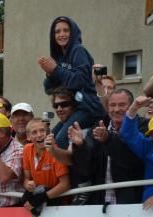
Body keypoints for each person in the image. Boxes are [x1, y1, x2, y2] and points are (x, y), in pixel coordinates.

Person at [39, 16, 106, 149]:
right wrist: (50, 74)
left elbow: (79, 80)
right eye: (57, 32)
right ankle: (62, 169)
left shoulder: (78, 50)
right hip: (75, 109)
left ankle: (77, 168)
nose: (61, 34)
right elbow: (50, 90)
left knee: (62, 139)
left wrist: (56, 70)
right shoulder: (58, 57)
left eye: (66, 30)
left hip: (89, 108)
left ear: (73, 32)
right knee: (51, 140)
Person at [70, 88, 145, 206]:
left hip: (134, 205)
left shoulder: (142, 126)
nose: (116, 109)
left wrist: (108, 139)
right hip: (101, 204)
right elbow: (86, 169)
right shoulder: (98, 128)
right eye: (112, 105)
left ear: (131, 106)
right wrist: (81, 146)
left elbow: (133, 162)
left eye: (122, 105)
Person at [21, 119, 70, 212]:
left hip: (60, 206)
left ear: (48, 133)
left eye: (42, 130)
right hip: (40, 204)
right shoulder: (27, 149)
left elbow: (65, 184)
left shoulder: (55, 150)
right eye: (34, 132)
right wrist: (27, 184)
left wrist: (42, 197)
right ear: (28, 137)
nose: (39, 135)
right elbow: (26, 178)